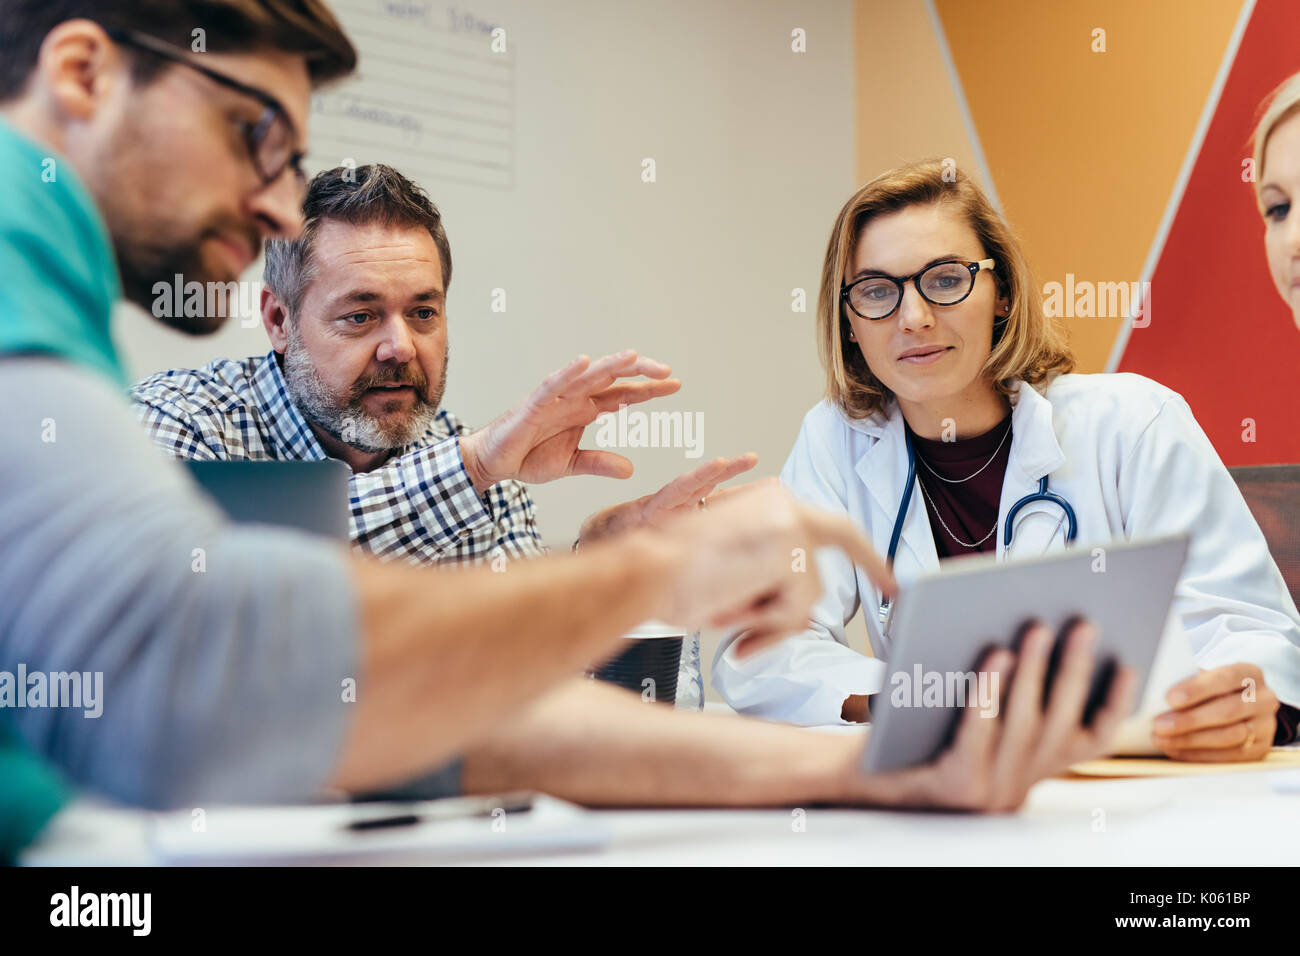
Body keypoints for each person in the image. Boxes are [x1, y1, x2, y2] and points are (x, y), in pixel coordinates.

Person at [0, 3, 1133, 835]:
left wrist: (868, 772)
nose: (274, 199)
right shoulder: (34, 273)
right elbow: (210, 655)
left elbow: (470, 707)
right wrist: (641, 579)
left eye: (424, 309)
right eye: (254, 134)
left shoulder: (57, 294)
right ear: (84, 72)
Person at [713, 159, 1300, 761]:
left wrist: (1249, 702)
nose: (913, 318)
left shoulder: (1134, 422)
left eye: (944, 280)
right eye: (876, 292)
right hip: (946, 804)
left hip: (1131, 786)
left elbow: (1250, 629)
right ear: (852, 324)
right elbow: (764, 647)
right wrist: (910, 700)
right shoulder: (837, 440)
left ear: (1003, 296)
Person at [129, 163, 755, 566]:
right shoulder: (181, 423)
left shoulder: (471, 459)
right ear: (278, 321)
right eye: (360, 315)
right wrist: (473, 466)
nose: (401, 347)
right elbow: (209, 600)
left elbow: (515, 660)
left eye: (423, 313)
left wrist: (604, 553)